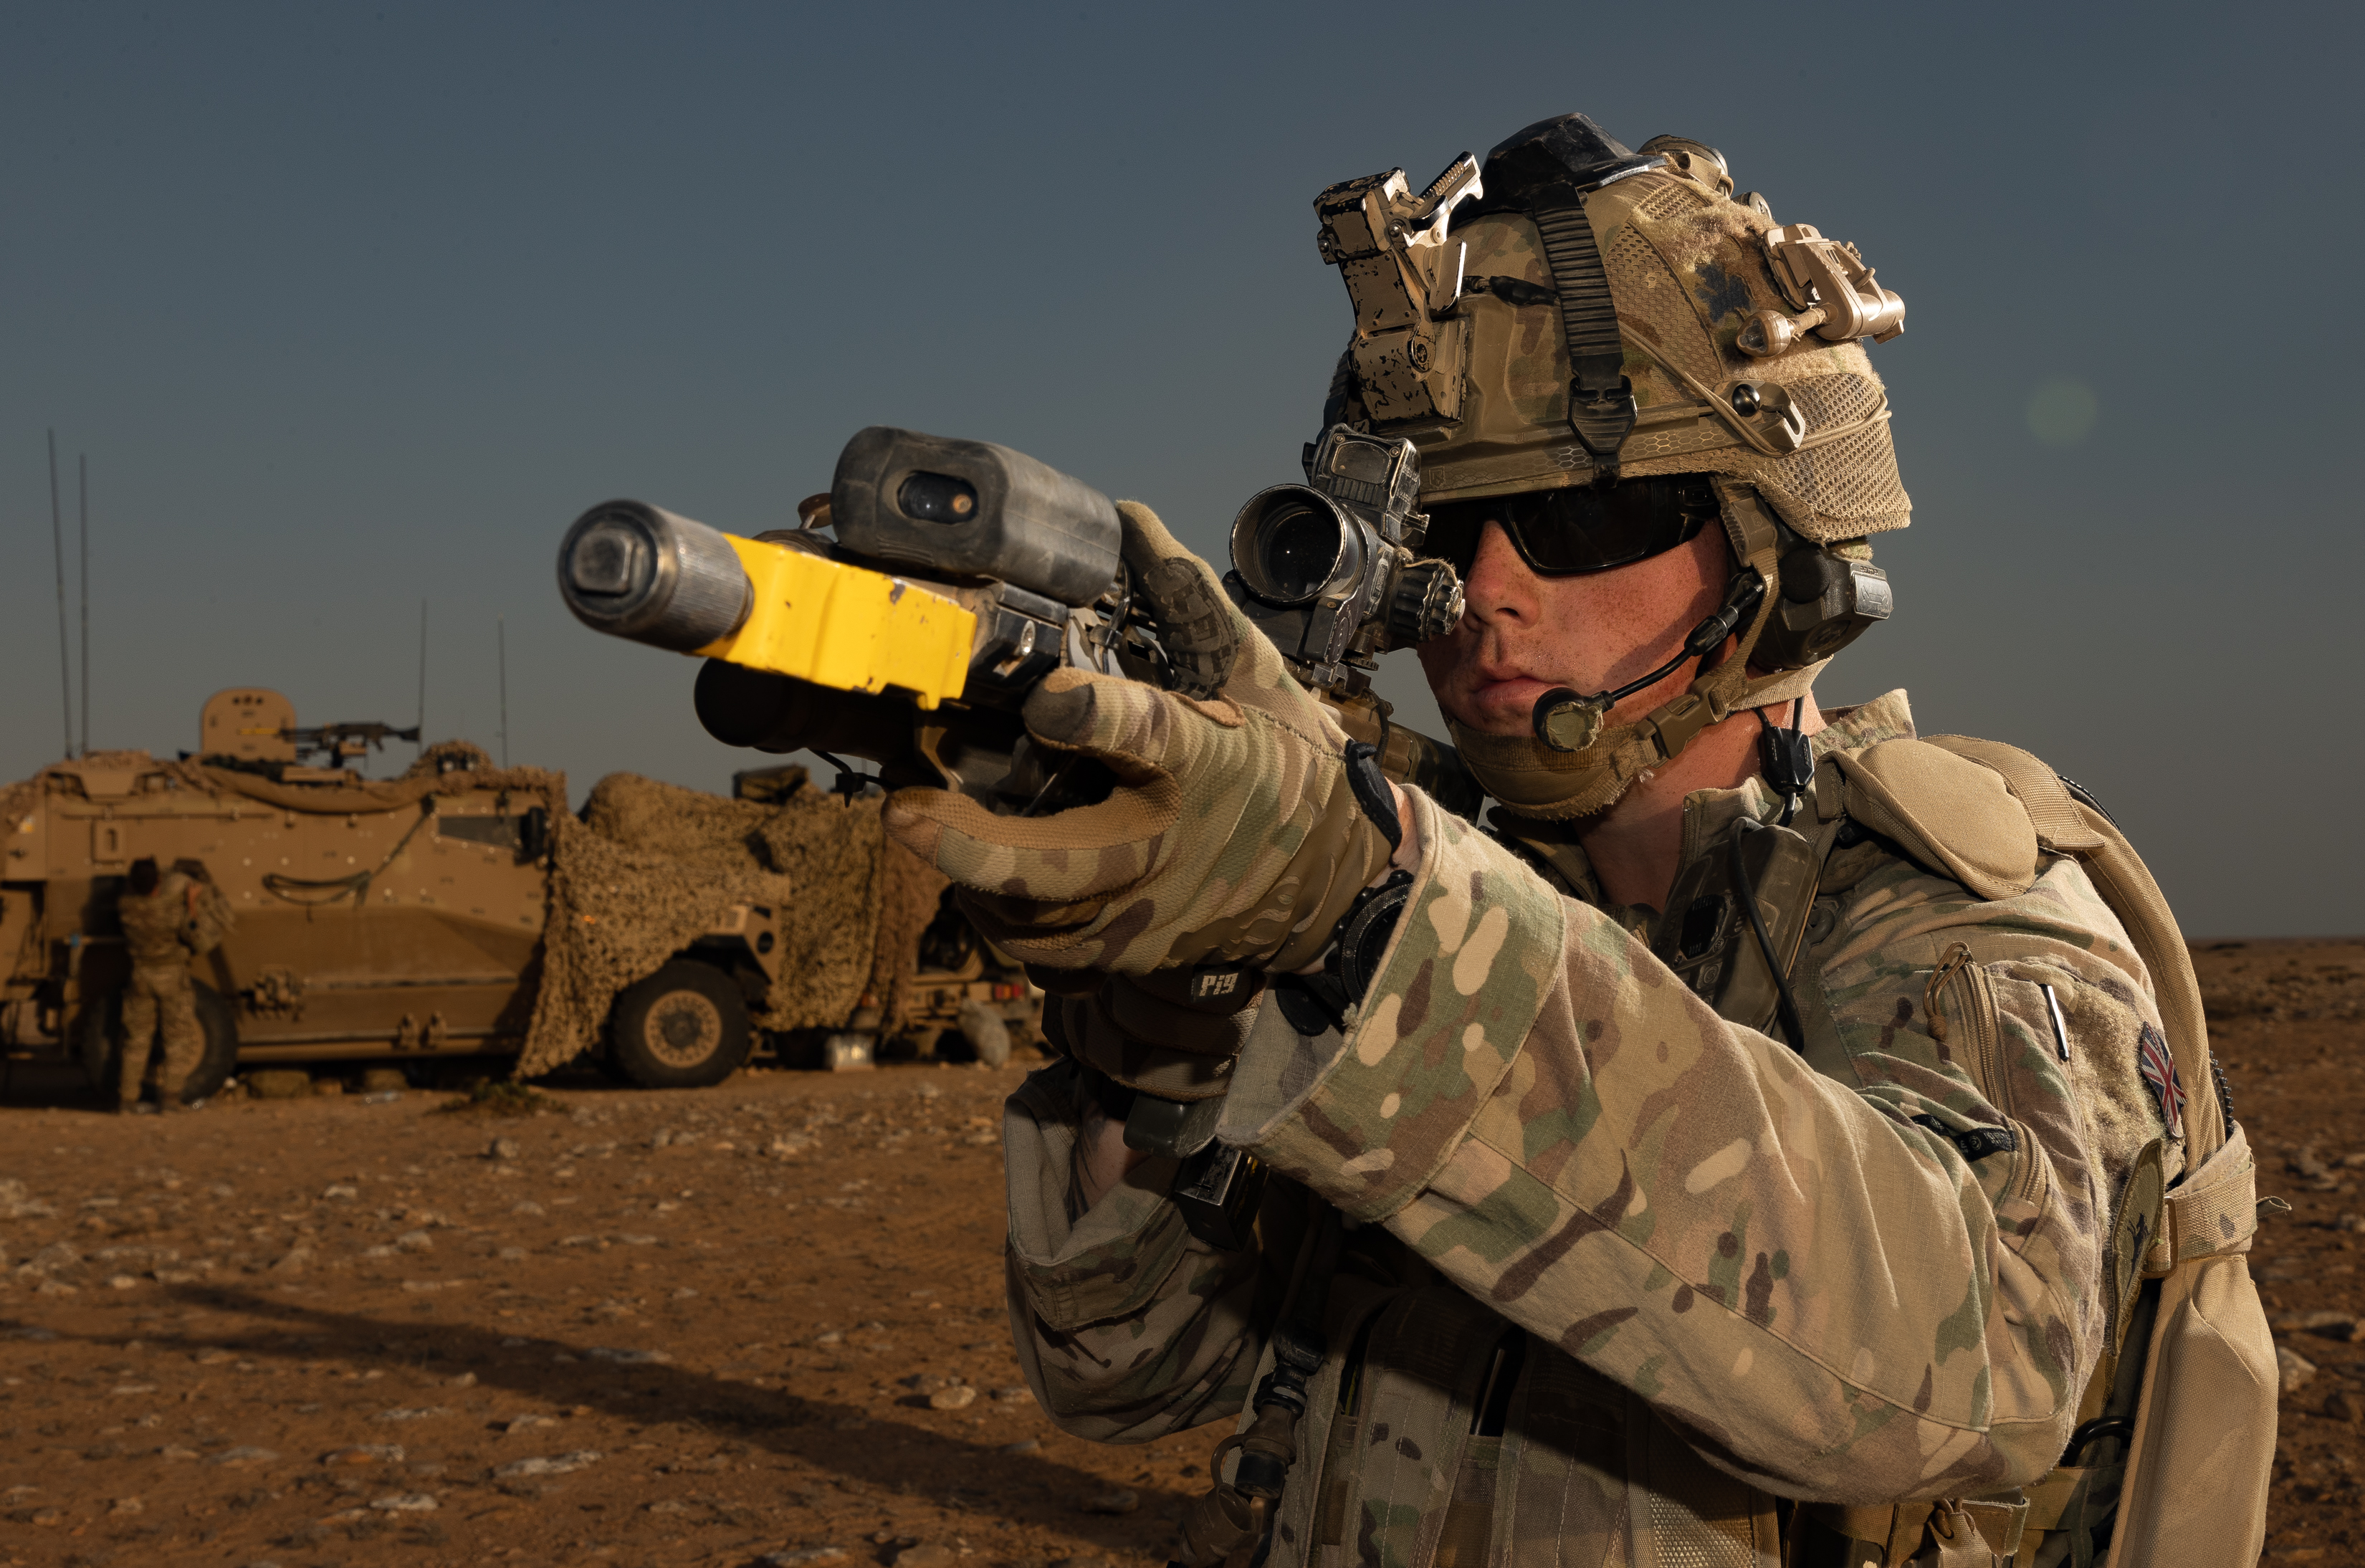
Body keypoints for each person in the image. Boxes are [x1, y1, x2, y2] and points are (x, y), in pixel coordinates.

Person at [883, 115, 2267, 1567]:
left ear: (1773, 538)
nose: (1486, 588)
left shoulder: (1962, 917)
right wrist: (1165, 1031)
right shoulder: (1457, 894)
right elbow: (1127, 1375)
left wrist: (1362, 918)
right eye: (1447, 528)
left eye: (1580, 516)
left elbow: (1976, 1369)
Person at [115, 856, 231, 1112]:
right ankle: (169, 1099)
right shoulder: (170, 910)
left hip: (140, 977)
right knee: (177, 1039)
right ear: (158, 881)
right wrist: (191, 902)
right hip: (171, 978)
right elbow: (194, 935)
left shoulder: (126, 906)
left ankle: (127, 1100)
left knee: (136, 1040)